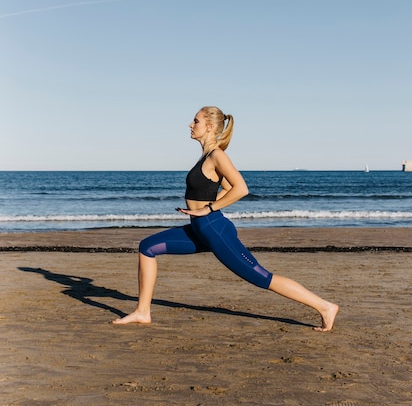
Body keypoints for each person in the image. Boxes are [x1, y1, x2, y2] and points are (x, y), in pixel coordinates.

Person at [113, 106, 339, 331]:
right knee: (147, 247)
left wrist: (208, 208)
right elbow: (227, 187)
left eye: (196, 121)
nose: (191, 125)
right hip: (200, 229)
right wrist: (204, 209)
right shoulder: (205, 156)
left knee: (261, 277)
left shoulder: (217, 155)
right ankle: (143, 312)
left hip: (214, 229)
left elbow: (241, 188)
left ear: (210, 127)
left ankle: (325, 306)